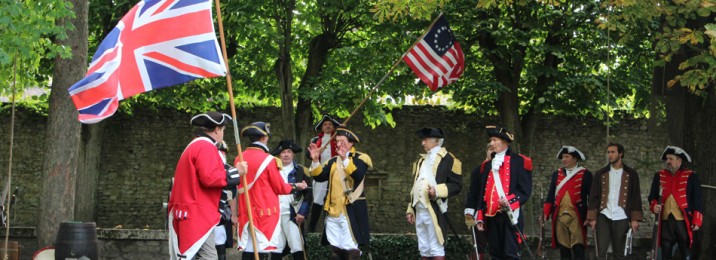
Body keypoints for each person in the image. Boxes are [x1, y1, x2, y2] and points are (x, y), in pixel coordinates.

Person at [168, 112, 247, 260]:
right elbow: (209, 178)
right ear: (217, 129)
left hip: (192, 212)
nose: (222, 134)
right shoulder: (205, 146)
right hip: (197, 213)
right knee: (207, 257)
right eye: (223, 130)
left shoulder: (196, 145)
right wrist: (238, 172)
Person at [235, 122, 308, 259]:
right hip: (265, 212)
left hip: (246, 210)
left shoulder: (239, 157)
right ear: (264, 138)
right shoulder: (269, 160)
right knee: (262, 248)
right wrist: (295, 186)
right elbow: (280, 187)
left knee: (250, 247)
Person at [464, 126, 532, 260]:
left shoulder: (520, 161)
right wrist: (480, 215)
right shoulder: (487, 166)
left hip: (509, 214)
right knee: (495, 254)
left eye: (495, 140)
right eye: (491, 140)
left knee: (510, 253)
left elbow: (525, 190)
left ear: (505, 142)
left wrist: (510, 201)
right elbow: (483, 192)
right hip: (491, 216)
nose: (491, 143)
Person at [307, 127, 371, 259]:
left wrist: (345, 160)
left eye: (343, 141)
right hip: (332, 211)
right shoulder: (332, 161)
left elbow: (358, 176)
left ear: (351, 143)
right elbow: (319, 177)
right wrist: (315, 161)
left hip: (350, 210)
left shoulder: (361, 158)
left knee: (350, 249)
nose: (339, 144)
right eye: (337, 141)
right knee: (336, 250)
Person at [405, 127, 463, 260]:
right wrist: (411, 208)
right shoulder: (421, 161)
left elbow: (456, 185)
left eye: (425, 140)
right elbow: (416, 186)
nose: (422, 143)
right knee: (424, 248)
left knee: (436, 247)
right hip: (419, 209)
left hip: (435, 209)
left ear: (436, 141)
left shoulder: (449, 159)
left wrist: (437, 190)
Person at [586, 142, 643, 259]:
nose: (610, 155)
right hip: (604, 215)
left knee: (620, 252)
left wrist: (634, 219)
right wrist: (592, 218)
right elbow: (593, 196)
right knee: (600, 251)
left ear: (620, 154)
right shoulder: (601, 173)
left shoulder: (631, 174)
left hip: (621, 216)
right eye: (608, 152)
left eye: (613, 152)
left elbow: (635, 197)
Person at [648, 146, 703, 260]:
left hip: (683, 221)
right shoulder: (659, 175)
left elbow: (698, 199)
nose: (667, 161)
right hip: (665, 221)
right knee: (666, 249)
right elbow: (652, 197)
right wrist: (654, 206)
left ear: (679, 160)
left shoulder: (691, 176)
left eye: (671, 159)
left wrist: (697, 221)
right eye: (667, 159)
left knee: (686, 251)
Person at [543, 146, 593, 260]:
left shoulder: (585, 174)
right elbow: (551, 194)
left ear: (575, 158)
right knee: (563, 246)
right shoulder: (557, 174)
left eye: (567, 157)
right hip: (560, 215)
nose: (564, 159)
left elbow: (591, 197)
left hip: (577, 215)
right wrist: (545, 212)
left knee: (578, 245)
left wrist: (591, 216)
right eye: (563, 157)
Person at [270, 139, 313, 260]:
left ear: (293, 153)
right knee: (276, 247)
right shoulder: (272, 170)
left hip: (293, 214)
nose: (286, 154)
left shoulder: (302, 171)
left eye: (289, 151)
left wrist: (302, 213)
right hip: (275, 214)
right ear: (279, 155)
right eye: (283, 152)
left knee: (297, 246)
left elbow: (308, 194)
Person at [307, 114, 340, 233]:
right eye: (325, 124)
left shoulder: (338, 138)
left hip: (335, 173)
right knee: (318, 200)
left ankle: (329, 228)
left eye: (330, 124)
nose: (327, 126)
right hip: (320, 173)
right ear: (321, 127)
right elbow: (308, 155)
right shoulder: (316, 140)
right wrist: (317, 151)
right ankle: (312, 228)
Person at [215, 141, 239, 260]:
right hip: (203, 213)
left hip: (221, 214)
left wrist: (234, 216)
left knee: (220, 240)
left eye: (224, 153)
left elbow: (232, 195)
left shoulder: (230, 170)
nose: (222, 155)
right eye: (220, 152)